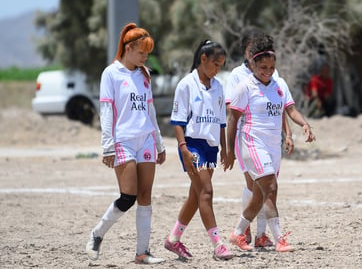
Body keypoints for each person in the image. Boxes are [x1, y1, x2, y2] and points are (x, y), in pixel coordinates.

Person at [85, 23, 166, 264]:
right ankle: (97, 234)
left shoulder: (145, 74)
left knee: (145, 195)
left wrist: (159, 143)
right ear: (128, 48)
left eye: (148, 53)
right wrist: (107, 145)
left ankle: (142, 252)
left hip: (147, 141)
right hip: (123, 141)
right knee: (128, 197)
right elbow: (106, 111)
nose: (145, 57)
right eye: (141, 52)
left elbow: (150, 110)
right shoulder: (111, 74)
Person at [227, 34, 315, 253]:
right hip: (252, 143)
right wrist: (228, 149)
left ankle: (238, 233)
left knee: (262, 194)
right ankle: (279, 240)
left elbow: (290, 109)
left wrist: (304, 124)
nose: (267, 71)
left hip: (273, 146)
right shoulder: (244, 87)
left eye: (271, 67)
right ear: (253, 64)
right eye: (263, 67)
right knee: (271, 187)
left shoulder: (279, 84)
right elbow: (232, 119)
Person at [164, 40, 233, 261]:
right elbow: (177, 121)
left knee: (196, 195)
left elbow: (221, 121)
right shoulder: (186, 84)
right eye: (215, 64)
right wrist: (183, 148)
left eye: (221, 65)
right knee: (207, 192)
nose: (217, 69)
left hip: (211, 147)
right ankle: (218, 245)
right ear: (203, 59)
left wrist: (225, 148)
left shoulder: (218, 87)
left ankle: (173, 240)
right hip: (192, 144)